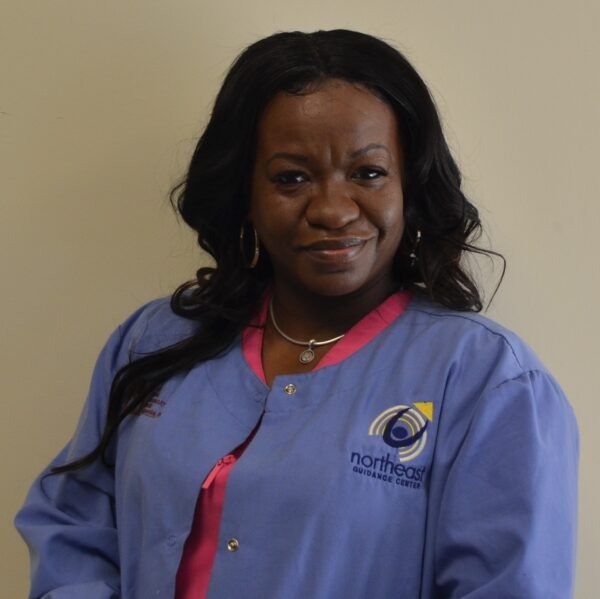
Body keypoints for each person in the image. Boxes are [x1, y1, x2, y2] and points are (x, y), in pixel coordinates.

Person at [14, 29, 579, 599]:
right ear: (245, 193)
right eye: (292, 178)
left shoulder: (487, 381)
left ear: (410, 183)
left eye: (368, 173)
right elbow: (73, 528)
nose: (333, 209)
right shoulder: (152, 340)